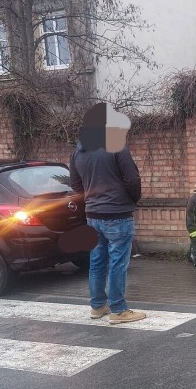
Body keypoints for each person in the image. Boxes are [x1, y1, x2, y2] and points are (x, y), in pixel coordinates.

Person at [70, 102, 146, 325]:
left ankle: (97, 306)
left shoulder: (78, 151)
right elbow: (132, 179)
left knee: (96, 260)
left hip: (92, 215)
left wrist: (91, 199)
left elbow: (75, 184)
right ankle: (119, 310)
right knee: (117, 263)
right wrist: (131, 199)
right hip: (117, 215)